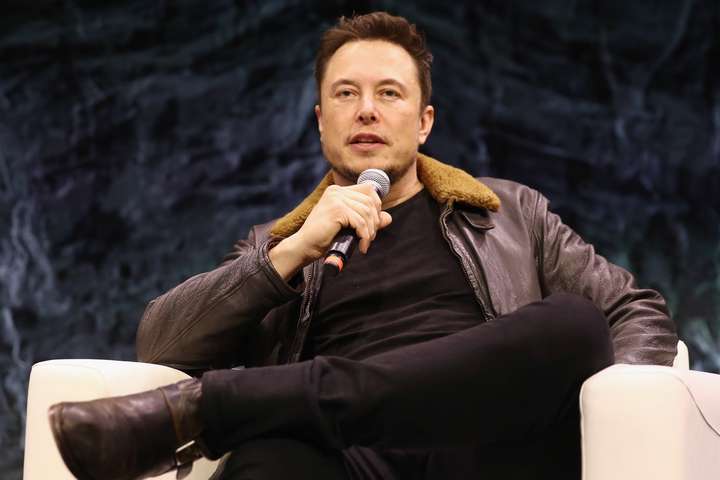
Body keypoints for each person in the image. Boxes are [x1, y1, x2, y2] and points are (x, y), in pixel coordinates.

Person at [47, 11, 678, 480]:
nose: (366, 111)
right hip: (349, 461)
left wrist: (619, 404)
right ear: (321, 121)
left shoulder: (512, 211)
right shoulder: (280, 242)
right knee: (266, 459)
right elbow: (160, 343)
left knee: (572, 324)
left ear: (424, 122)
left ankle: (211, 409)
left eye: (389, 93)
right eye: (346, 94)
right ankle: (233, 411)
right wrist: (291, 253)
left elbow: (635, 310)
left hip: (487, 447)